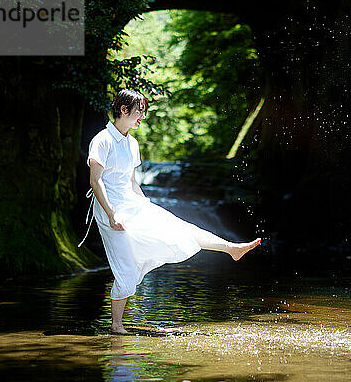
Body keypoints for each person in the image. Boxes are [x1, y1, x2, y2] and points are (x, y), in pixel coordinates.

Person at [81, 89, 261, 335]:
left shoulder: (132, 143)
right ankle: (116, 326)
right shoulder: (102, 140)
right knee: (126, 269)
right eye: (139, 112)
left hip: (132, 204)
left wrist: (147, 206)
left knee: (179, 227)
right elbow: (96, 182)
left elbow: (132, 182)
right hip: (111, 210)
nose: (142, 118)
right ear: (123, 110)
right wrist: (112, 214)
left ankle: (231, 248)